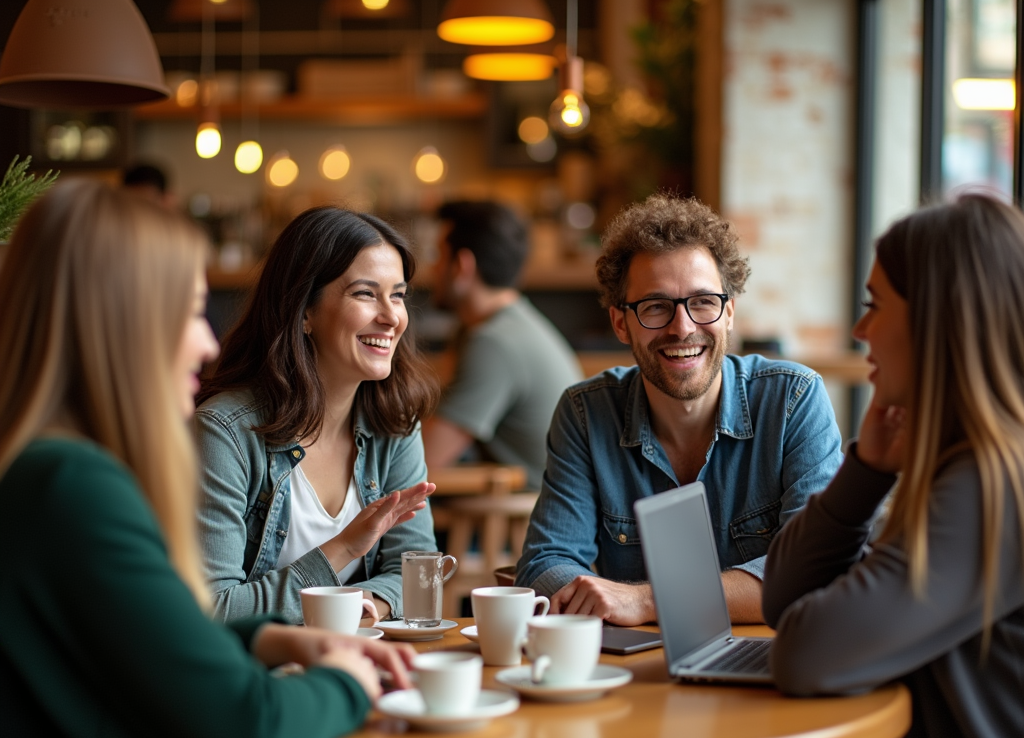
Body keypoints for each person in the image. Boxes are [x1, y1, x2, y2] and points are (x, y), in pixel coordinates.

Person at [0, 180, 416, 738]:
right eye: (191, 311)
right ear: (120, 322)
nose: (205, 342)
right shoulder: (73, 486)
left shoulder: (39, 470)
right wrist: (347, 679)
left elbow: (142, 642)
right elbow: (253, 731)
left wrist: (268, 637)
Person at [762, 195, 1024, 738]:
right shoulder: (969, 467)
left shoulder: (991, 485)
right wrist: (864, 474)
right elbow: (782, 602)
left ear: (939, 321)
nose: (861, 330)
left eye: (875, 306)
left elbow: (807, 656)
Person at [516, 192, 844, 625]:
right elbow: (545, 564)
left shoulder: (794, 401)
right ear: (620, 323)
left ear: (729, 313)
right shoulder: (585, 414)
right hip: (642, 673)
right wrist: (591, 594)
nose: (683, 328)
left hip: (771, 665)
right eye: (655, 307)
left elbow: (813, 571)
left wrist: (645, 601)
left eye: (703, 302)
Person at [196, 206, 440, 624]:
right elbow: (213, 610)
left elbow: (417, 573)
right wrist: (345, 546)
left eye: (397, 295)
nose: (391, 317)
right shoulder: (225, 434)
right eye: (365, 293)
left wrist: (363, 605)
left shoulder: (394, 424)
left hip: (362, 666)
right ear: (304, 311)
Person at [421, 200, 582, 491]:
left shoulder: (494, 343)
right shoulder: (504, 325)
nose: (431, 268)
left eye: (438, 256)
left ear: (462, 266)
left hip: (531, 526)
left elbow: (424, 461)